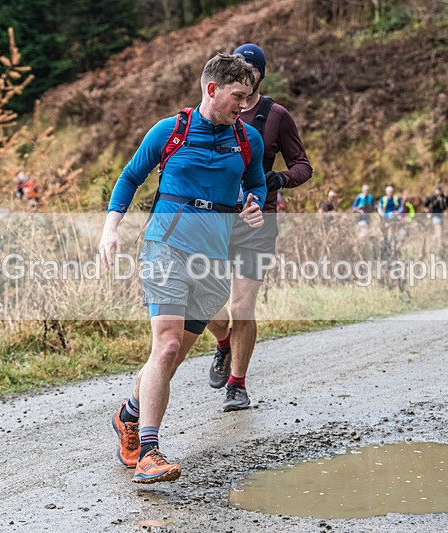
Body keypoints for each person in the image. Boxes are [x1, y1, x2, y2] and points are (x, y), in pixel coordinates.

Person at [99, 53, 267, 483]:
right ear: (211, 89)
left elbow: (257, 183)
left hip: (214, 257)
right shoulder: (170, 131)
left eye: (248, 98)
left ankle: (129, 416)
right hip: (166, 247)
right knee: (168, 345)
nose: (244, 106)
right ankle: (151, 452)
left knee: (169, 360)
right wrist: (110, 229)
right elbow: (130, 177)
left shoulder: (248, 140)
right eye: (238, 97)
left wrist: (254, 204)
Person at [206, 43, 313, 412]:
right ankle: (224, 343)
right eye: (238, 67)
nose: (245, 74)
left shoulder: (275, 115)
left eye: (250, 69)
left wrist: (277, 181)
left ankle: (237, 384)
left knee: (242, 304)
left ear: (260, 75)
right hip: (217, 219)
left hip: (258, 221)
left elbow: (304, 165)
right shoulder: (218, 110)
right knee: (205, 303)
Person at [424, 185, 448, 249]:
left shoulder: (445, 198)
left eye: (440, 190)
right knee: (439, 230)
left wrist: (446, 211)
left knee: (437, 231)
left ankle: (431, 242)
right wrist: (428, 213)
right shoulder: (432, 198)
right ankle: (440, 245)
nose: (439, 191)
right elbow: (425, 205)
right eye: (438, 190)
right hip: (435, 216)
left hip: (442, 216)